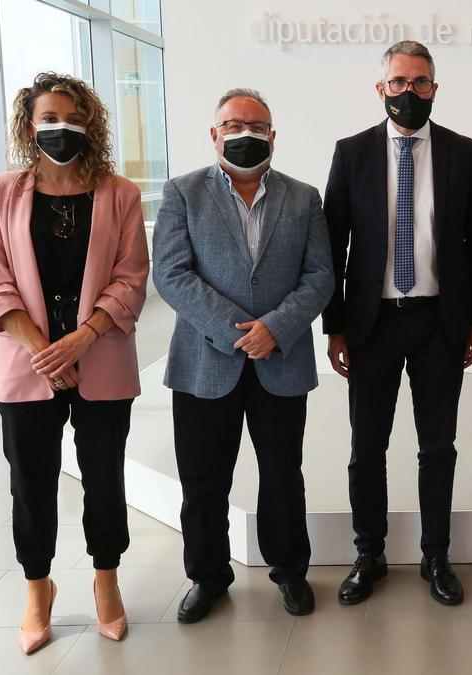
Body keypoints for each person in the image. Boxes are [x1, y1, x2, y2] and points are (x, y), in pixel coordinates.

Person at [0, 72, 149, 653]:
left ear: (90, 124)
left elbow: (130, 279)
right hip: (28, 366)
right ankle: (37, 586)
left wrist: (80, 340)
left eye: (72, 118)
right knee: (30, 482)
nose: (60, 128)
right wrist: (46, 353)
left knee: (105, 477)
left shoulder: (120, 194)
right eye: (49, 119)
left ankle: (106, 580)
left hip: (100, 359)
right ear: (31, 125)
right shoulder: (2, 192)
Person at [153, 88, 334, 623]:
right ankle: (207, 577)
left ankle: (290, 571)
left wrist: (274, 329)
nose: (245, 134)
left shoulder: (303, 198)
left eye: (257, 126)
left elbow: (320, 275)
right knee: (204, 479)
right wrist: (238, 331)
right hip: (206, 361)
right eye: (233, 125)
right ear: (214, 134)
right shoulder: (183, 192)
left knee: (283, 475)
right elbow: (171, 272)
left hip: (281, 360)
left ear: (273, 136)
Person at [322, 41, 472, 607]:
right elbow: (333, 245)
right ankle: (368, 552)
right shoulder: (351, 153)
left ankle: (435, 555)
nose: (408, 92)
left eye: (420, 82)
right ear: (381, 89)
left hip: (438, 322)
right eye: (398, 82)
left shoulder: (463, 152)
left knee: (437, 447)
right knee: (366, 447)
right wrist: (335, 327)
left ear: (434, 89)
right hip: (372, 324)